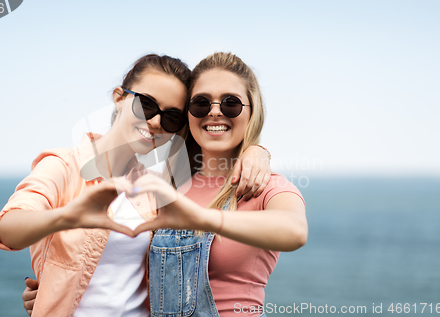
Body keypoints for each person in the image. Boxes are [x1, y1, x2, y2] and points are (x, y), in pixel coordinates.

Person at [0, 54, 272, 317]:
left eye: (171, 116)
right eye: (146, 105)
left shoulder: (155, 188)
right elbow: (8, 230)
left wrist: (255, 151)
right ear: (119, 98)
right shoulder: (64, 167)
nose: (154, 122)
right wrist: (67, 217)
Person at [126, 52, 308, 316]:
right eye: (201, 103)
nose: (214, 111)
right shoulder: (165, 188)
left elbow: (295, 231)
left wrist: (202, 217)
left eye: (230, 103)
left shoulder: (263, 187)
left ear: (251, 112)